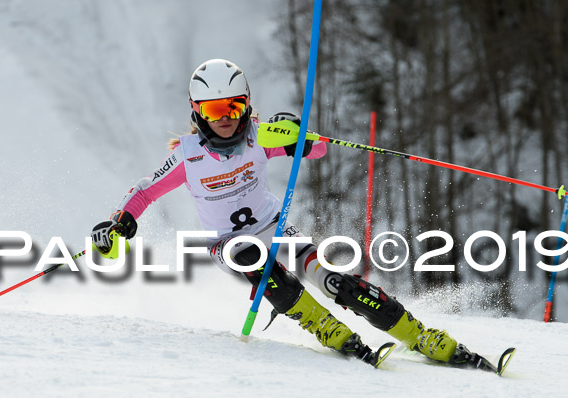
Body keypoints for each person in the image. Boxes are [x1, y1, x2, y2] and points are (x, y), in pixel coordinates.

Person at [91, 58, 486, 369]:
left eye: (233, 105)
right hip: (228, 244)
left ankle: (419, 335)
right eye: (214, 109)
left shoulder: (260, 136)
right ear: (197, 112)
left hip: (279, 232)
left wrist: (296, 134)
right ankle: (322, 325)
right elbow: (145, 191)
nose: (225, 117)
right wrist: (122, 220)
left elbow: (317, 150)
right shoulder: (188, 155)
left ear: (246, 104)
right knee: (251, 260)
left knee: (337, 284)